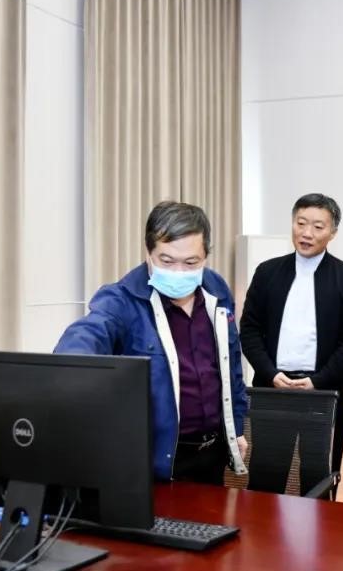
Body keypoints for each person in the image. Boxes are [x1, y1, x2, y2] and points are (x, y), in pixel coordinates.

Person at [54, 201, 249, 484]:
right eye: (166, 261)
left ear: (206, 255)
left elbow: (231, 363)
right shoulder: (122, 299)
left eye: (191, 262)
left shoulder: (216, 289)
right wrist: (71, 365)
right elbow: (89, 332)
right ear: (148, 253)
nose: (179, 272)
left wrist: (237, 426)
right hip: (158, 456)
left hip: (213, 451)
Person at [240, 193, 343, 496]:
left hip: (324, 395)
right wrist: (270, 373)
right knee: (266, 475)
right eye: (301, 223)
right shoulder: (267, 272)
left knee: (317, 479)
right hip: (273, 390)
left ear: (333, 232)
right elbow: (250, 330)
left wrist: (318, 380)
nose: (307, 233)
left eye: (318, 227)